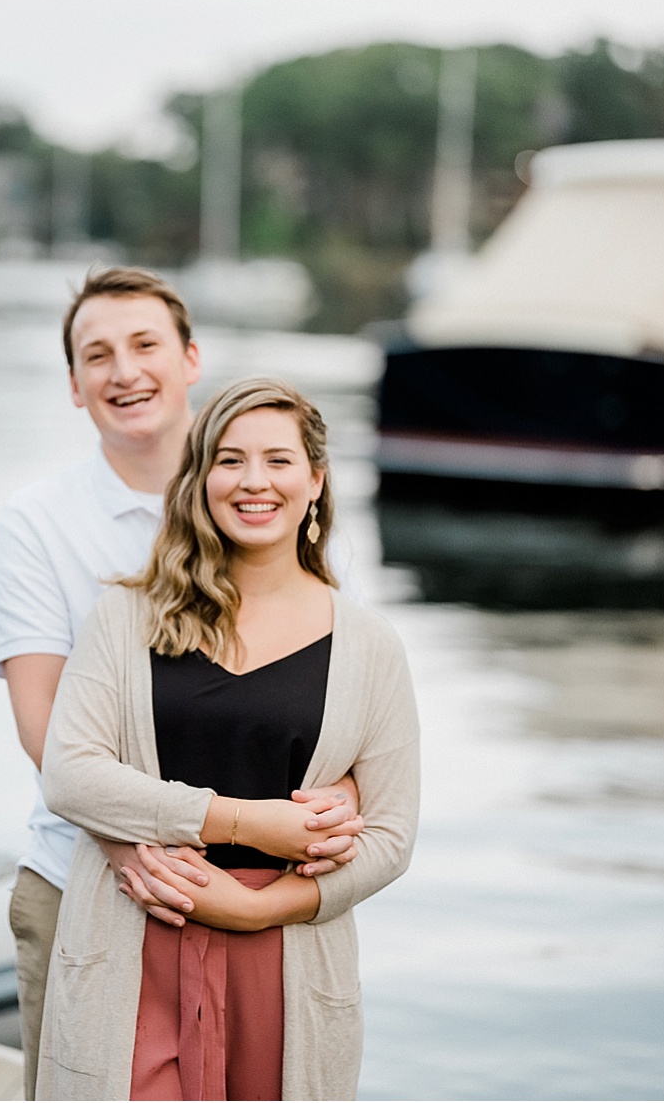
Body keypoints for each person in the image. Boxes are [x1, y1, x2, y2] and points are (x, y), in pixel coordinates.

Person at [0, 270, 366, 1098]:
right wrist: (137, 848)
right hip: (86, 875)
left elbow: (336, 692)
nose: (124, 370)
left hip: (265, 887)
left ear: (191, 358)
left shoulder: (270, 496)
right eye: (98, 354)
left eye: (145, 344)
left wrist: (336, 796)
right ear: (75, 388)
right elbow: (43, 727)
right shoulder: (40, 522)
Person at [39, 377, 420, 1101]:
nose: (253, 481)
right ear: (199, 478)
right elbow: (70, 774)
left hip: (285, 954)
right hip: (135, 932)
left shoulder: (368, 646)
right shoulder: (125, 615)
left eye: (277, 460)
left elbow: (391, 835)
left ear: (314, 480)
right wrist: (243, 821)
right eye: (229, 459)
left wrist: (255, 906)